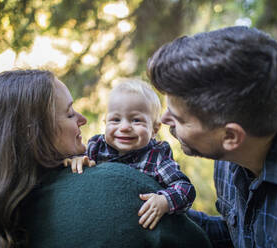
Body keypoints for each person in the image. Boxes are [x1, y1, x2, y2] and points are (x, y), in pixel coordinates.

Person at [0, 69, 212, 247]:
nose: (83, 120)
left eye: (136, 120)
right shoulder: (114, 185)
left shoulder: (0, 216)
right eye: (69, 114)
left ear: (154, 128)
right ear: (35, 132)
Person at [147, 25, 277, 248]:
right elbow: (239, 234)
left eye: (179, 118)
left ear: (230, 136)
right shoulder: (232, 157)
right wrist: (165, 214)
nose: (164, 119)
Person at [68, 80, 195, 230]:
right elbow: (79, 167)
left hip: (141, 228)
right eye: (116, 120)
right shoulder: (96, 147)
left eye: (136, 120)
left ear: (154, 129)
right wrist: (77, 160)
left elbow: (185, 189)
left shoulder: (156, 156)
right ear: (105, 122)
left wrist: (164, 201)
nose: (125, 127)